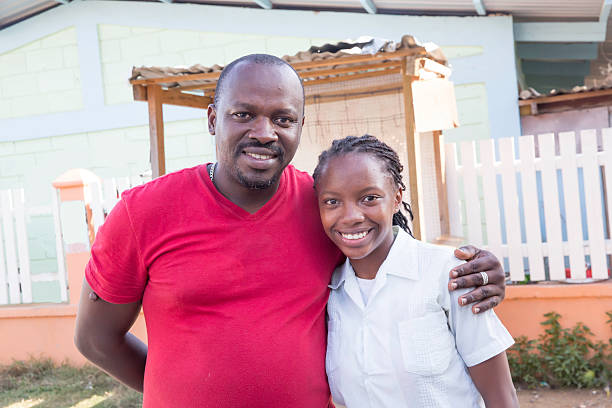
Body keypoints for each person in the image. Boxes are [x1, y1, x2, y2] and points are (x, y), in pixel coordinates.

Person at [74, 54, 507, 407]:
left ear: (300, 125)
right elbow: (96, 340)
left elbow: (395, 258)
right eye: (243, 114)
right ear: (212, 119)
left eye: (283, 118)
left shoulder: (323, 207)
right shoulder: (143, 211)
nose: (264, 133)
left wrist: (478, 270)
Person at [313, 134, 518, 408]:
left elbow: (502, 398)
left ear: (396, 198)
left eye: (369, 198)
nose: (351, 216)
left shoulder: (449, 274)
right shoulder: (331, 291)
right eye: (332, 202)